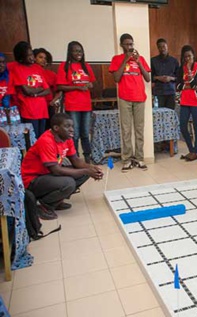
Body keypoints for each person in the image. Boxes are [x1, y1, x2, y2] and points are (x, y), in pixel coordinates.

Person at [21, 113, 103, 220]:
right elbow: (56, 171)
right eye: (67, 126)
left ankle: (56, 200)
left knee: (85, 172)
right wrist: (86, 171)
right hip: (32, 180)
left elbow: (76, 161)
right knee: (69, 183)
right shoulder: (46, 141)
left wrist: (92, 168)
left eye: (72, 126)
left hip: (47, 175)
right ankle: (44, 206)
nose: (71, 129)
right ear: (56, 128)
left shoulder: (67, 138)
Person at [109, 33, 151, 172]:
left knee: (139, 130)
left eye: (131, 44)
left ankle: (139, 158)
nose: (129, 47)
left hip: (139, 98)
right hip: (125, 98)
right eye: (127, 44)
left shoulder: (140, 59)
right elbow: (116, 78)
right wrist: (125, 60)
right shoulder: (117, 59)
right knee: (126, 130)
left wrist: (138, 62)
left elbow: (148, 78)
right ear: (121, 45)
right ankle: (127, 159)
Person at [57, 41, 96, 163]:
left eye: (80, 51)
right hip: (72, 105)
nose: (78, 53)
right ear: (70, 52)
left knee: (85, 132)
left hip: (86, 105)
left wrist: (89, 84)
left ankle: (88, 157)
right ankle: (75, 157)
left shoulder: (86, 66)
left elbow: (92, 82)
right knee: (74, 133)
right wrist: (77, 87)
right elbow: (60, 86)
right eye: (75, 51)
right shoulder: (64, 66)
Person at [8, 41, 50, 137]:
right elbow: (27, 91)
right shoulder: (18, 69)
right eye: (28, 55)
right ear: (21, 58)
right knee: (33, 139)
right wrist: (39, 89)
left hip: (42, 109)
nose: (32, 57)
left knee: (42, 138)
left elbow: (47, 90)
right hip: (29, 110)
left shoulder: (37, 68)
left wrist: (35, 93)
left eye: (31, 54)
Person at [176, 45, 197, 162]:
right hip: (184, 101)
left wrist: (188, 72)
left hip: (195, 101)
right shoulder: (179, 68)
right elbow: (177, 86)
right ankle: (191, 149)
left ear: (194, 56)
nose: (188, 59)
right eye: (185, 57)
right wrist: (191, 86)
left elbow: (194, 84)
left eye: (190, 56)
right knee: (183, 126)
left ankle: (195, 151)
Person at [151, 38, 179, 110]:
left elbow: (179, 77)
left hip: (171, 91)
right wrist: (158, 78)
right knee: (159, 113)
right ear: (157, 48)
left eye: (163, 46)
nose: (162, 49)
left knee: (170, 113)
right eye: (160, 47)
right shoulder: (153, 61)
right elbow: (150, 77)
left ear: (167, 46)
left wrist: (170, 78)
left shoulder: (174, 61)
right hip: (158, 92)